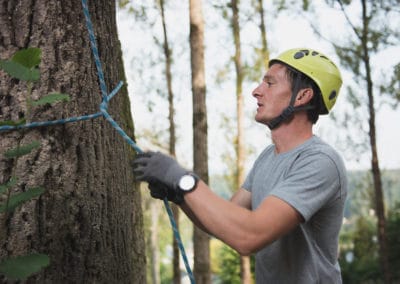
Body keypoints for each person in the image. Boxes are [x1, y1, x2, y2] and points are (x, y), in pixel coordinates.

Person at [133, 48, 347, 283]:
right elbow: (225, 221)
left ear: (301, 96)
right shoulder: (268, 156)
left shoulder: (319, 163)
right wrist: (179, 196)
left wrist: (184, 180)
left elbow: (249, 236)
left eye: (270, 83)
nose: (256, 91)